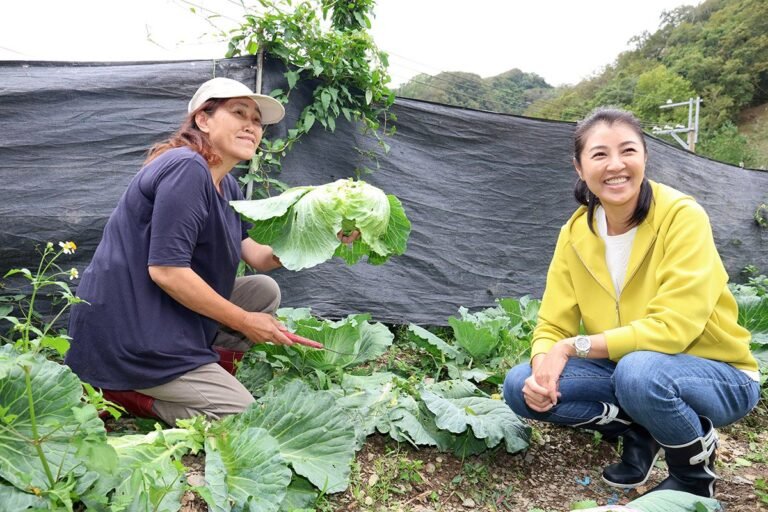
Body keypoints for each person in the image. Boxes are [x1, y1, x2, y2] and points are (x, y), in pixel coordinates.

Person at [65, 77, 355, 426]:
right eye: (238, 113)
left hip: (164, 313)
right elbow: (167, 272)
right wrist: (247, 322)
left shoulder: (225, 182)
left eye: (257, 121)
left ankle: (204, 374)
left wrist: (327, 234)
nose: (251, 125)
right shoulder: (186, 168)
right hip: (130, 331)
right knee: (244, 419)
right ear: (203, 120)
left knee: (262, 290)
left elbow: (259, 256)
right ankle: (129, 394)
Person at [503, 107, 760, 498]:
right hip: (632, 370)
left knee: (639, 373)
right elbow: (553, 324)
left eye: (627, 151)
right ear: (579, 167)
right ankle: (643, 429)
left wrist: (573, 346)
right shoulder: (574, 234)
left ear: (645, 157)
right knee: (519, 384)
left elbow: (674, 328)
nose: (615, 165)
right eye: (600, 154)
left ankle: (693, 475)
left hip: (718, 375)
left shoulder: (681, 217)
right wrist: (544, 367)